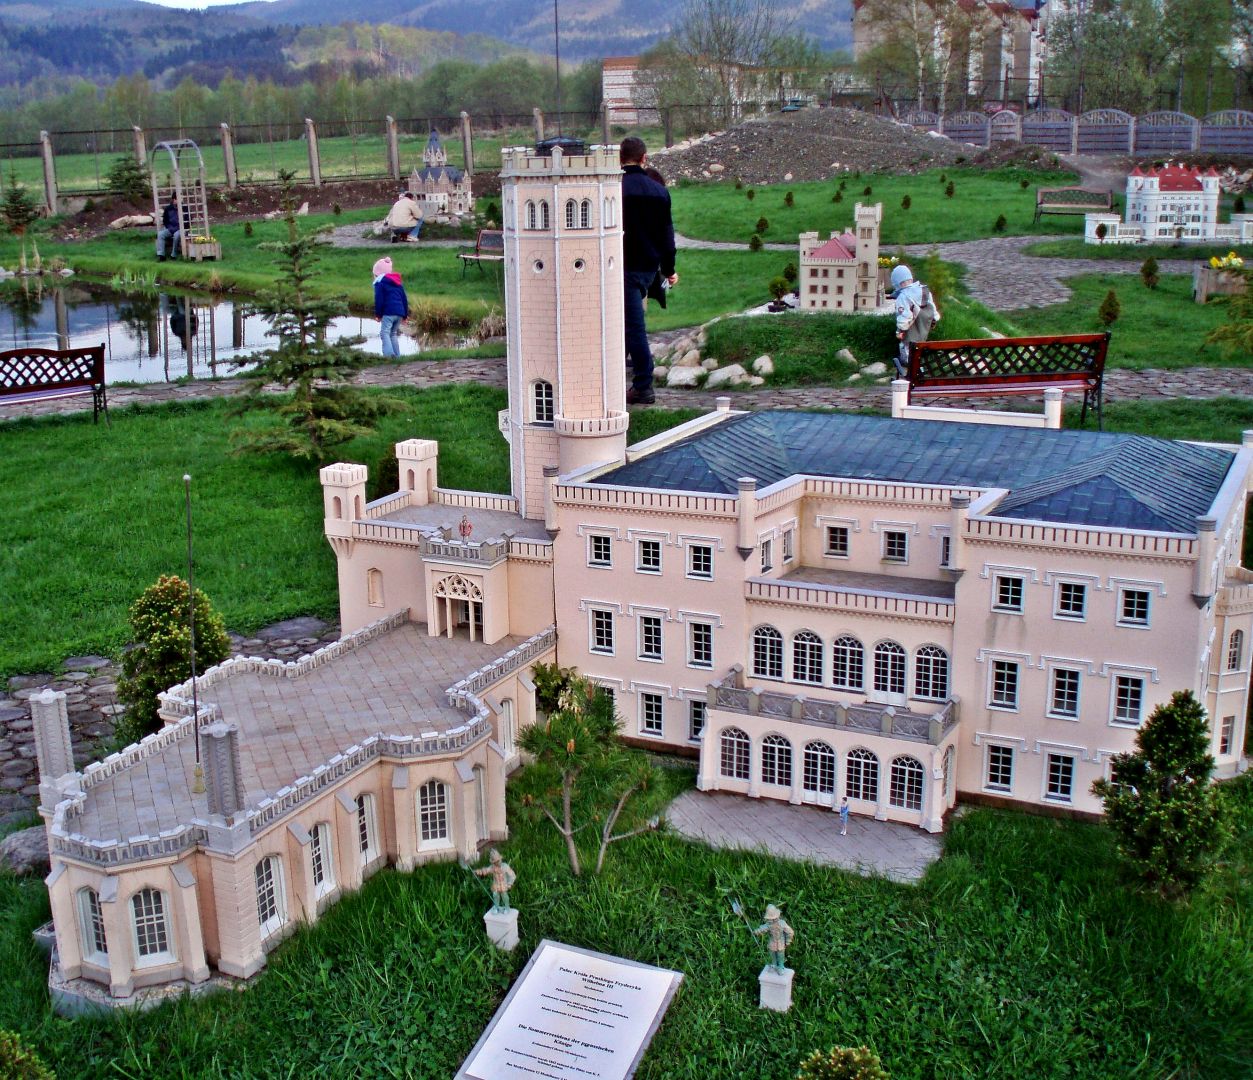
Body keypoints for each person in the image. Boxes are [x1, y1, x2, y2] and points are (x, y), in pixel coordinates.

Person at [620, 137, 677, 405]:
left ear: (621, 159)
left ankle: (643, 386)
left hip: (621, 267)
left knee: (634, 328)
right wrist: (669, 270)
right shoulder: (659, 192)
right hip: (647, 269)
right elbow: (667, 238)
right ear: (644, 158)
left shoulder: (614, 188)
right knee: (631, 325)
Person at [890, 263, 941, 376]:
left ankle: (912, 376)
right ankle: (919, 372)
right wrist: (934, 320)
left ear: (898, 283)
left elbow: (904, 318)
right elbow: (933, 310)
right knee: (918, 351)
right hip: (923, 329)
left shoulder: (903, 297)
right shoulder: (925, 291)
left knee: (906, 351)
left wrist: (900, 330)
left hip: (910, 332)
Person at [372, 256, 409, 358]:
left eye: (374, 275)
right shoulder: (397, 283)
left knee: (384, 333)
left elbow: (379, 300)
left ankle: (388, 355)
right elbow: (404, 299)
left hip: (388, 312)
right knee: (393, 333)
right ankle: (397, 356)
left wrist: (378, 315)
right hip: (400, 313)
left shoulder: (380, 283)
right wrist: (405, 315)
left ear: (377, 274)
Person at [473, 849, 516, 913]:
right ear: (493, 862)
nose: (498, 862)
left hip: (503, 884)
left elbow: (512, 875)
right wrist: (479, 871)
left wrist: (509, 883)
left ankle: (507, 907)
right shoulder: (492, 867)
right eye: (496, 862)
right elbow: (486, 870)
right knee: (495, 895)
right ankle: (496, 907)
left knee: (504, 896)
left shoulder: (505, 867)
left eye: (498, 860)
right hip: (496, 884)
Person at [754, 904, 794, 972]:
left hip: (780, 942)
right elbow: (763, 928)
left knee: (780, 955)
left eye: (773, 918)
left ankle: (781, 967)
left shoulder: (782, 923)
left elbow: (790, 932)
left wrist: (788, 940)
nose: (772, 920)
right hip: (772, 942)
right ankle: (774, 966)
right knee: (772, 955)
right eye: (770, 919)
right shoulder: (768, 925)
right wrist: (757, 931)